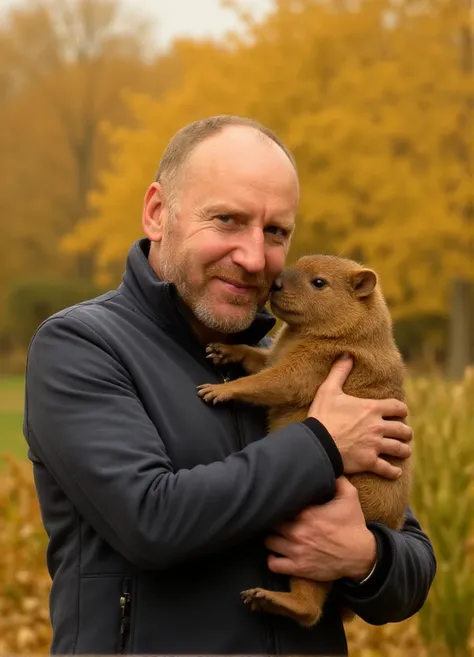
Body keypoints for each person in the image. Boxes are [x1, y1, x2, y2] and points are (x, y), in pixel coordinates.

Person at [24, 115, 436, 656]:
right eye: (226, 220)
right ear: (157, 213)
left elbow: (413, 565)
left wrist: (364, 557)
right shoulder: (81, 346)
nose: (252, 256)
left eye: (275, 232)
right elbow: (152, 521)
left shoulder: (310, 362)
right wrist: (320, 444)